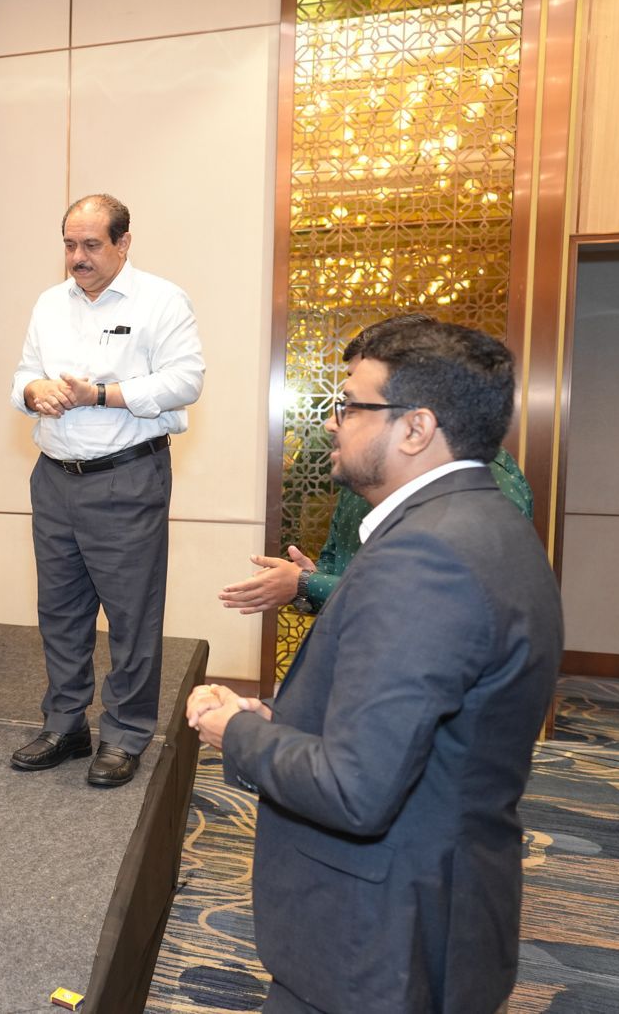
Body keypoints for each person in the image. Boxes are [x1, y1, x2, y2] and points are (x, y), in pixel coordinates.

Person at [187, 319, 562, 1012]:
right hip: (439, 909)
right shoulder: (490, 524)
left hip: (378, 940)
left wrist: (231, 731)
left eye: (353, 405)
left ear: (415, 428)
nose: (334, 423)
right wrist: (280, 720)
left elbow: (355, 788)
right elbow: (420, 730)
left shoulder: (426, 558)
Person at [9, 194, 204, 787]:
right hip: (55, 478)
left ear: (123, 243)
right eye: (70, 244)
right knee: (61, 613)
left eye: (91, 244)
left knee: (131, 615)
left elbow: (186, 380)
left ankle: (124, 734)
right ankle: (65, 725)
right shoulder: (49, 303)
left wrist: (103, 394)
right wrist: (35, 392)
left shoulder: (162, 300)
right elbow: (22, 376)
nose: (78, 257)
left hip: (127, 477)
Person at [218, 313, 533, 616]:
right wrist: (307, 581)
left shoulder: (486, 488)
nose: (332, 423)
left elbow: (433, 606)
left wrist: (306, 583)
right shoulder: (367, 473)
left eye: (354, 405)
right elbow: (338, 566)